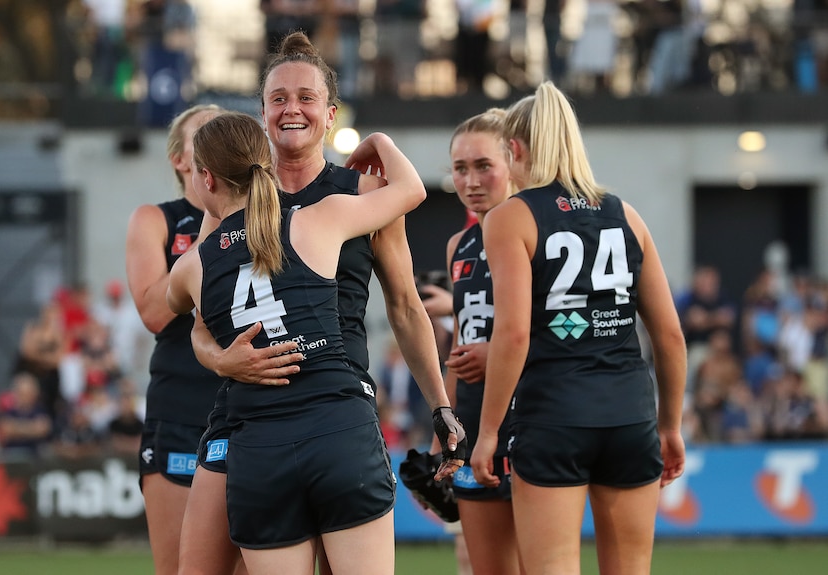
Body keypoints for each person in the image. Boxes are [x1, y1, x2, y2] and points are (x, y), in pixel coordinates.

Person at [179, 32, 464, 575]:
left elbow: (405, 307)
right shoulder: (228, 204)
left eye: (306, 97)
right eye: (279, 98)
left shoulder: (360, 194)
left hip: (334, 408)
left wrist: (441, 405)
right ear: (262, 113)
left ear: (330, 114)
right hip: (246, 414)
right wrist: (221, 360)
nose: (292, 108)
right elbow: (197, 321)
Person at [470, 81, 687, 575]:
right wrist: (669, 425)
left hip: (554, 417)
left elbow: (514, 335)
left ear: (516, 149)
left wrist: (486, 433)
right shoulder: (626, 215)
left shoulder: (511, 217)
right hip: (630, 416)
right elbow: (670, 337)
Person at [124, 103, 228, 575]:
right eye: (203, 134)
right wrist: (214, 233)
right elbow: (151, 312)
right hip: (182, 408)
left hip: (252, 409)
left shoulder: (264, 218)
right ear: (180, 160)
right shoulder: (157, 219)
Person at [443, 109, 523, 575]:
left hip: (531, 416)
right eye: (459, 168)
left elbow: (563, 327)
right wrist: (446, 422)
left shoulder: (535, 228)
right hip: (473, 421)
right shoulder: (460, 245)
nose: (471, 181)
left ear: (511, 161)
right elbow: (460, 337)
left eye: (482, 166)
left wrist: (498, 352)